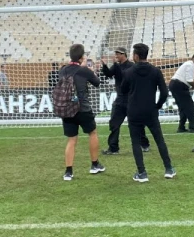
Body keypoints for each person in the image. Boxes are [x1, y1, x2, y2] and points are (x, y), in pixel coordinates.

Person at [120, 43, 175, 183]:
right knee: (159, 139)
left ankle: (142, 173)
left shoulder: (128, 72)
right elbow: (164, 92)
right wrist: (158, 105)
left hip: (134, 111)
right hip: (150, 110)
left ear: (136, 56)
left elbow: (123, 90)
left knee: (135, 142)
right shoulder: (156, 71)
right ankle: (168, 169)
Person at [59, 44, 105, 181]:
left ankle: (68, 171)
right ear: (82, 57)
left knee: (71, 139)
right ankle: (94, 164)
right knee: (92, 133)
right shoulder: (84, 70)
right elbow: (97, 82)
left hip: (67, 109)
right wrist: (90, 70)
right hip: (83, 108)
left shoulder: (63, 70)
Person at [99, 47, 151, 155]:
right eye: (116, 53)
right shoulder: (117, 66)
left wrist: (115, 65)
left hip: (131, 99)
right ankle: (113, 148)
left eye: (118, 54)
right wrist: (104, 66)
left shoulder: (131, 66)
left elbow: (124, 76)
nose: (116, 56)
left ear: (124, 54)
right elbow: (109, 74)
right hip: (120, 99)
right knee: (114, 123)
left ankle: (144, 144)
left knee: (137, 124)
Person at [168, 53, 194, 133]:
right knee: (189, 105)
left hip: (175, 85)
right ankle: (192, 127)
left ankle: (181, 127)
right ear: (193, 59)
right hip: (178, 85)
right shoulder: (190, 65)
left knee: (183, 107)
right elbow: (189, 80)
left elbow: (188, 82)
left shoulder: (189, 65)